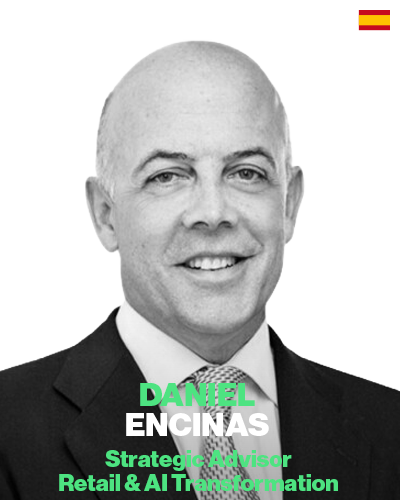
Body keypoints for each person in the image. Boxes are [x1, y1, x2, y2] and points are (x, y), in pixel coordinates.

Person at [1, 40, 399, 499]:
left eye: (246, 172)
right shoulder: (7, 431)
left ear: (289, 204)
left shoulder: (390, 430)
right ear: (106, 216)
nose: (212, 213)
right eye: (167, 176)